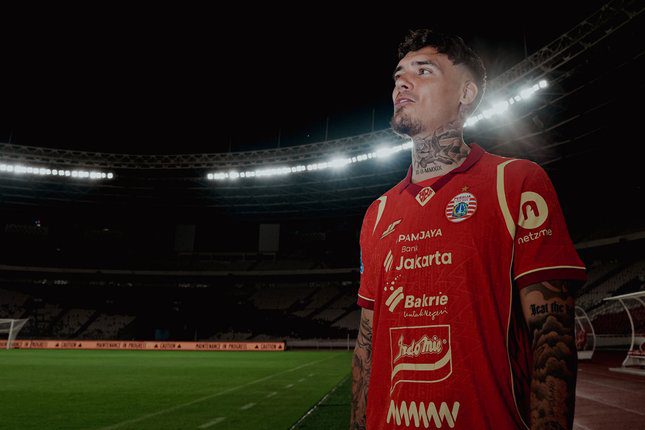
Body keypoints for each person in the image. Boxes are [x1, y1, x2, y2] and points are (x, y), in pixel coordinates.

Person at [350, 29, 586, 430]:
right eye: (398, 75)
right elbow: (366, 344)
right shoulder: (378, 212)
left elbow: (551, 335)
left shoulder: (516, 183)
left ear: (466, 93)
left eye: (423, 71)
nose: (402, 83)